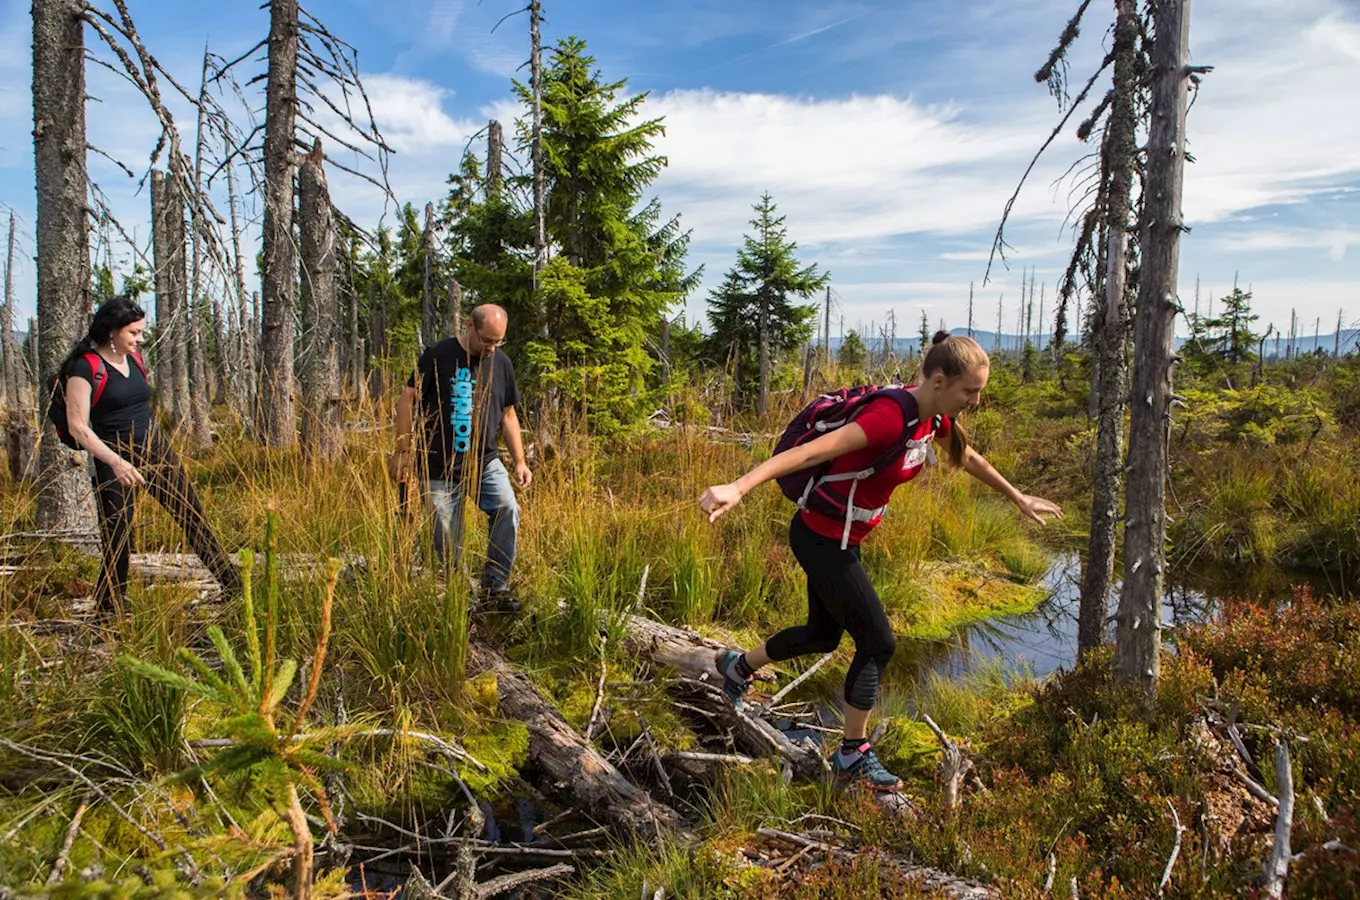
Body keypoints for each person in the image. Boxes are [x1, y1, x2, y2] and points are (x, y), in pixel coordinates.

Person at [698, 332, 1063, 792]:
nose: (974, 400)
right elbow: (806, 454)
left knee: (823, 635)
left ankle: (737, 667)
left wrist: (1017, 497)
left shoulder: (933, 419)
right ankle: (853, 754)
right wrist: (738, 487)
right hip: (821, 539)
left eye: (979, 392)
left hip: (843, 539)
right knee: (878, 642)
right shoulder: (889, 418)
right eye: (969, 391)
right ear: (937, 380)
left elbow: (966, 456)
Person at [61, 297, 241, 614]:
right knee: (118, 538)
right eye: (134, 332)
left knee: (191, 515)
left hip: (155, 448)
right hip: (113, 458)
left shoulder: (135, 359)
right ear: (112, 330)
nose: (140, 338)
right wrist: (117, 462)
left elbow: (141, 405)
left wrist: (158, 443)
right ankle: (108, 610)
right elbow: (78, 428)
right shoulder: (84, 367)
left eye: (141, 332)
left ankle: (234, 587)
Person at [391, 304, 531, 609]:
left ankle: (495, 588)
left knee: (507, 508)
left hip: (485, 462)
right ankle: (460, 594)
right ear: (470, 326)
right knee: (446, 530)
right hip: (439, 465)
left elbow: (508, 415)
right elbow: (408, 398)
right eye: (487, 341)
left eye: (499, 342)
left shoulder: (502, 364)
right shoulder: (437, 355)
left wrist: (520, 461)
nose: (492, 348)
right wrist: (403, 450)